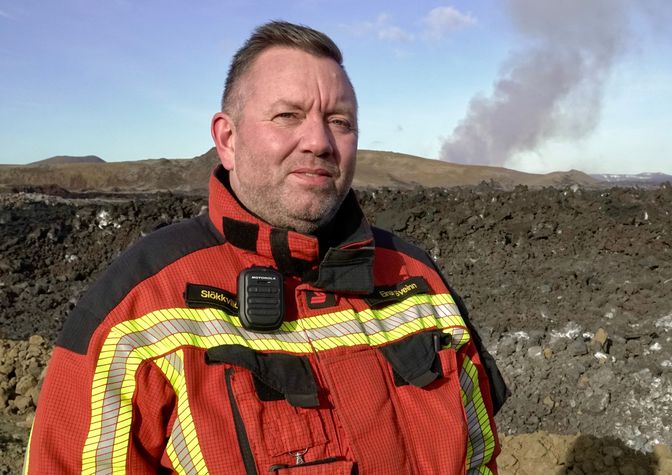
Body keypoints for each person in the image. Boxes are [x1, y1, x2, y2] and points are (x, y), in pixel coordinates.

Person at [25, 21, 507, 474]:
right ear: (227, 139)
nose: (318, 141)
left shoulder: (419, 283)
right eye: (287, 116)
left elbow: (480, 457)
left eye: (339, 121)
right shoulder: (138, 310)